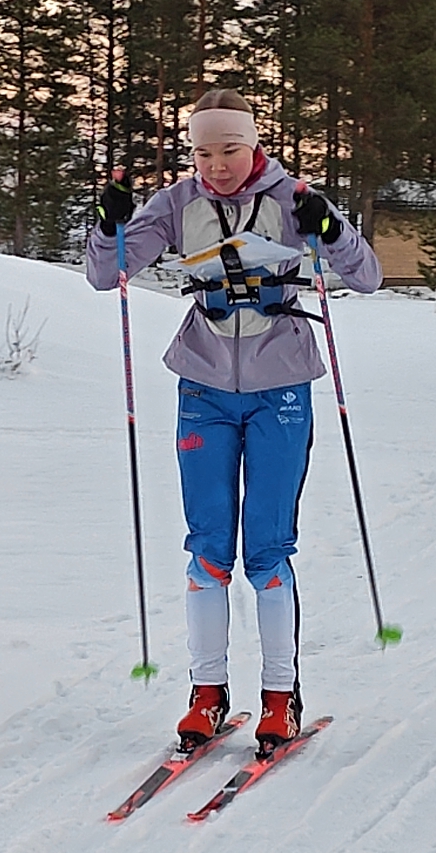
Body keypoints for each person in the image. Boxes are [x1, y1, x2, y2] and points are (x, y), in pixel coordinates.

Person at [86, 88, 382, 755]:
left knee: (268, 548)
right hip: (204, 384)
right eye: (202, 152)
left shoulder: (291, 199)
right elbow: (107, 276)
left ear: (254, 145)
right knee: (208, 546)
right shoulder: (176, 204)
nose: (216, 165)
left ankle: (280, 699)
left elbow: (367, 276)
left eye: (229, 150)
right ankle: (207, 694)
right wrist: (108, 224)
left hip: (280, 386)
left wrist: (329, 228)